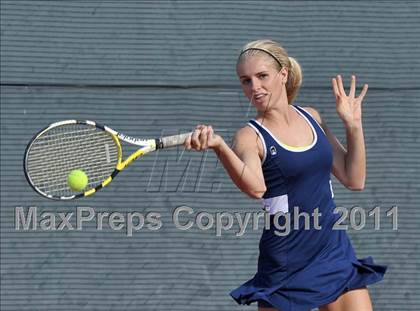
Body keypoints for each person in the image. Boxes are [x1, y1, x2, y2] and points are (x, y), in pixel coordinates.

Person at [184, 39, 387, 311]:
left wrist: (353, 125)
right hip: (286, 261)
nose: (254, 87)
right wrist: (219, 147)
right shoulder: (249, 136)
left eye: (262, 76)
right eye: (246, 80)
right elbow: (256, 188)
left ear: (283, 74)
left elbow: (354, 178)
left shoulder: (312, 117)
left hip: (333, 250)